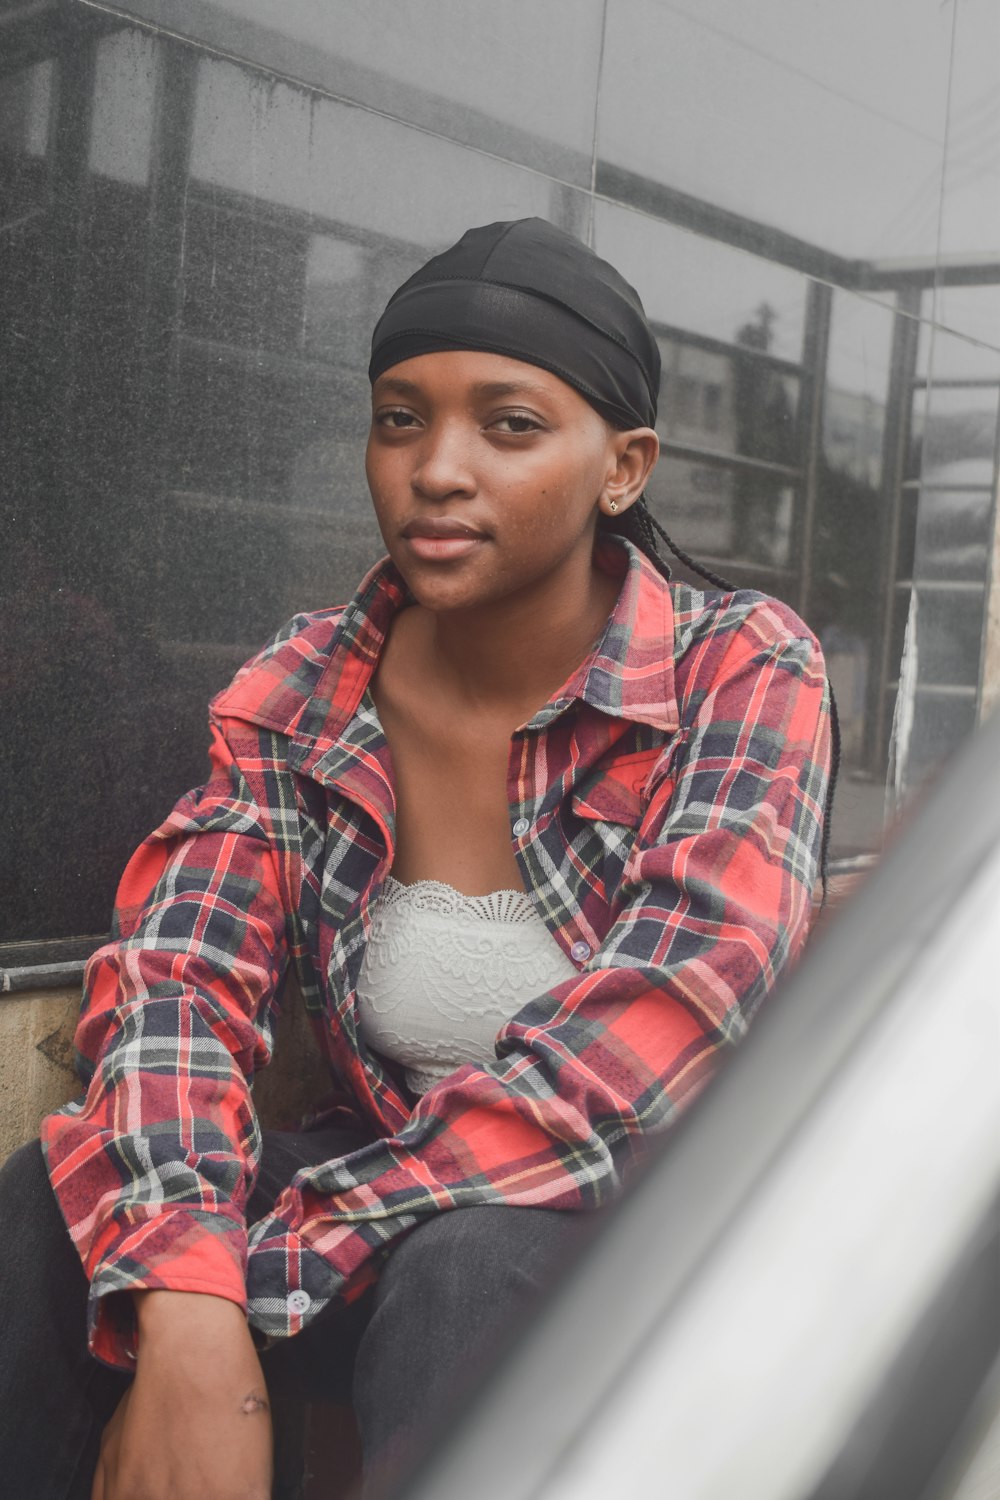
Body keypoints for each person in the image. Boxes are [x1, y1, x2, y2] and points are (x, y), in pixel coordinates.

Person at [0, 218, 831, 1500]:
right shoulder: (308, 681)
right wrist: (179, 1283)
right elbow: (180, 976)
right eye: (400, 418)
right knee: (47, 1205)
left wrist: (234, 1299)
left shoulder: (741, 667)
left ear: (624, 467)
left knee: (472, 1267)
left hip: (646, 1237)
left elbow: (657, 1034)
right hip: (389, 1204)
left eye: (508, 425)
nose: (435, 469)